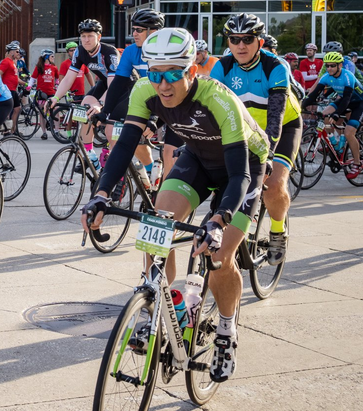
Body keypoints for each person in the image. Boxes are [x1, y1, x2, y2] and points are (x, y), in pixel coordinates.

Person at [82, 28, 269, 383]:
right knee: (156, 225)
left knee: (219, 256)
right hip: (197, 158)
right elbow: (124, 147)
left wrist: (219, 219)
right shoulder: (144, 90)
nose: (164, 84)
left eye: (174, 74)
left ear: (192, 71)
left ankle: (227, 333)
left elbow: (240, 175)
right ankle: (162, 307)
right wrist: (102, 194)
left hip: (243, 168)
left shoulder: (219, 99)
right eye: (156, 74)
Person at [208, 14, 302, 266]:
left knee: (272, 184)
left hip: (282, 127)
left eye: (248, 39)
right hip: (245, 130)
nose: (241, 45)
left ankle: (278, 230)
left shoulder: (275, 66)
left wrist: (268, 154)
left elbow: (276, 115)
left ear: (259, 41)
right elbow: (211, 110)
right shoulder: (223, 67)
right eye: (234, 39)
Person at [89, 8, 166, 182]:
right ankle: (147, 178)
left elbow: (166, 90)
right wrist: (105, 111)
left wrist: (154, 119)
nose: (134, 34)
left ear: (153, 32)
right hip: (145, 100)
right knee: (126, 136)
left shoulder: (164, 53)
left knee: (170, 152)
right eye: (133, 29)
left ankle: (162, 187)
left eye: (139, 30)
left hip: (168, 101)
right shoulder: (132, 51)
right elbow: (118, 83)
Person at [45, 19, 119, 164]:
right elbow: (68, 79)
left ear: (99, 37)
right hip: (104, 83)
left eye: (90, 36)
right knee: (84, 107)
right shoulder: (79, 51)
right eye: (83, 36)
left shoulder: (110, 53)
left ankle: (118, 164)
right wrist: (55, 98)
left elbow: (114, 85)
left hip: (123, 87)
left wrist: (101, 104)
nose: (86, 40)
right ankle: (90, 155)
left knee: (111, 132)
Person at [302, 51, 363, 179]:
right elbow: (313, 95)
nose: (329, 68)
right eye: (327, 65)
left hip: (358, 103)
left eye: (332, 66)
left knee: (348, 132)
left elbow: (346, 99)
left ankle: (357, 163)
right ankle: (335, 146)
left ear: (339, 66)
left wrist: (336, 114)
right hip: (344, 101)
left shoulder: (347, 76)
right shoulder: (326, 76)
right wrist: (301, 106)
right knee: (323, 114)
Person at [31, 50, 58, 139]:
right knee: (42, 112)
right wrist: (29, 86)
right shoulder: (39, 67)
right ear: (47, 57)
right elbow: (33, 78)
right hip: (42, 93)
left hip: (51, 93)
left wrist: (57, 86)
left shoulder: (54, 68)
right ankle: (44, 132)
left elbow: (57, 79)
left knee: (56, 110)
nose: (53, 58)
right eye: (52, 56)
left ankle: (56, 131)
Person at [0, 41, 22, 134]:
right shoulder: (6, 62)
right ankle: (6, 130)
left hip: (13, 90)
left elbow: (15, 77)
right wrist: (0, 88)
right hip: (7, 90)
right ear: (11, 52)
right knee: (8, 110)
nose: (18, 53)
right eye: (17, 51)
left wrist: (25, 83)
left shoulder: (13, 63)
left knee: (17, 109)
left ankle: (13, 129)